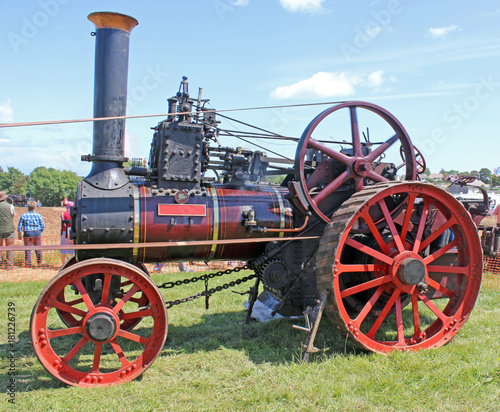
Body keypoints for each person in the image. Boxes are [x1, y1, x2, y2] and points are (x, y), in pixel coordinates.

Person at [17, 200, 45, 268]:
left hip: (27, 233)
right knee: (38, 247)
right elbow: (42, 225)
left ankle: (28, 263)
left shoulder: (23, 215)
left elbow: (20, 226)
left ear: (28, 207)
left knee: (28, 248)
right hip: (37, 232)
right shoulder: (38, 215)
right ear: (35, 207)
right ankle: (39, 262)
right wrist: (40, 231)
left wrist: (19, 234)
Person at [0, 191, 15, 270]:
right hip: (9, 230)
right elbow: (13, 216)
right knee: (9, 248)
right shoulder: (10, 206)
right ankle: (9, 266)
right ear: (5, 199)